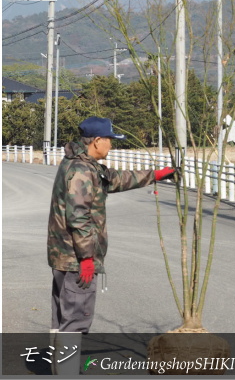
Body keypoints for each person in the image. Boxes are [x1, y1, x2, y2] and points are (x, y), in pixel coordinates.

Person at [47, 116, 176, 374]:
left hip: (64, 257)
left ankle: (60, 370)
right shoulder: (82, 171)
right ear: (96, 141)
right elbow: (79, 217)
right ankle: (66, 373)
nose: (111, 146)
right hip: (75, 261)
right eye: (109, 141)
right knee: (76, 320)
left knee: (63, 318)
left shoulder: (83, 164)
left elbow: (116, 179)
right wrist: (86, 258)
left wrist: (157, 175)